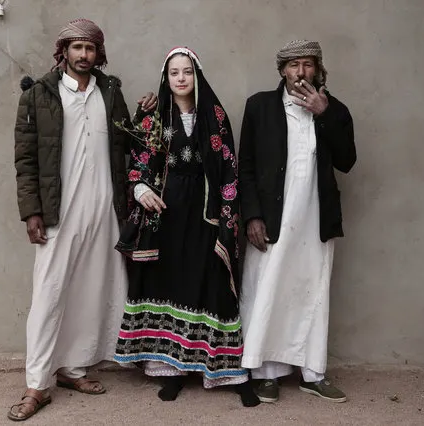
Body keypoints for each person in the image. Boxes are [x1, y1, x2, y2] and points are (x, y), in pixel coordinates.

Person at [8, 18, 157, 421]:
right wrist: (32, 211)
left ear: (98, 53)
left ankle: (73, 369)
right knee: (50, 292)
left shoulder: (110, 90)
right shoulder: (39, 94)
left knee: (90, 290)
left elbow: (129, 143)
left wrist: (147, 114)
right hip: (59, 210)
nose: (84, 55)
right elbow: (25, 161)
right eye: (77, 48)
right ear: (64, 52)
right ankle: (37, 384)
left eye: (90, 49)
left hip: (104, 208)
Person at [112, 46, 259, 407]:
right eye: (174, 72)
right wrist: (142, 186)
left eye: (187, 72)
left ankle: (225, 369)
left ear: (197, 76)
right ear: (166, 78)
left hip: (205, 212)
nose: (180, 78)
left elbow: (228, 168)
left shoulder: (216, 116)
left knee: (209, 281)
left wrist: (227, 212)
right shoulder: (153, 117)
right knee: (170, 280)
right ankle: (171, 370)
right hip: (167, 213)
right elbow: (139, 161)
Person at [238, 40, 356, 403]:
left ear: (318, 70)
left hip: (314, 219)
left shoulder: (333, 110)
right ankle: (266, 372)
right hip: (272, 219)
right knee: (269, 288)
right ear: (282, 71)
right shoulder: (260, 106)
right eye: (293, 65)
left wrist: (326, 113)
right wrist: (252, 215)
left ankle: (312, 372)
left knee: (311, 291)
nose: (301, 72)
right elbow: (246, 167)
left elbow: (347, 161)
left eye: (307, 65)